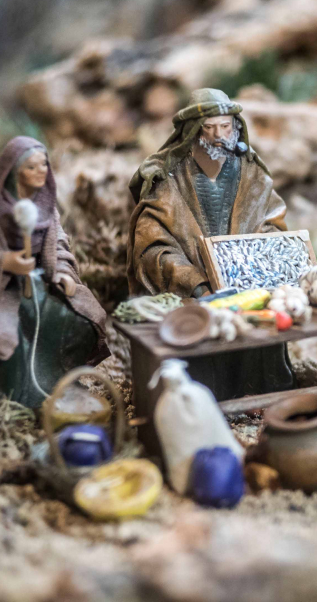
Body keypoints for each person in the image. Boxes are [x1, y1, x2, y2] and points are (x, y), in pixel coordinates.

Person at [127, 88, 294, 399]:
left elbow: (273, 225)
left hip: (247, 285)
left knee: (262, 331)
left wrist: (255, 265)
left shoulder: (253, 174)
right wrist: (196, 284)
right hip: (192, 291)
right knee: (197, 342)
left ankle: (261, 400)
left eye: (225, 127)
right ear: (193, 131)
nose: (218, 136)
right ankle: (200, 400)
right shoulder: (167, 179)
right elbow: (152, 246)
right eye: (209, 127)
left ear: (236, 128)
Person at [0, 136, 109, 407]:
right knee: (12, 335)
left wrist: (62, 273)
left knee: (84, 318)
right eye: (31, 167)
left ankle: (60, 378)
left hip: (43, 282)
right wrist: (7, 263)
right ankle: (22, 393)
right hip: (7, 290)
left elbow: (58, 243)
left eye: (44, 165)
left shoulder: (45, 204)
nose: (41, 172)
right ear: (14, 171)